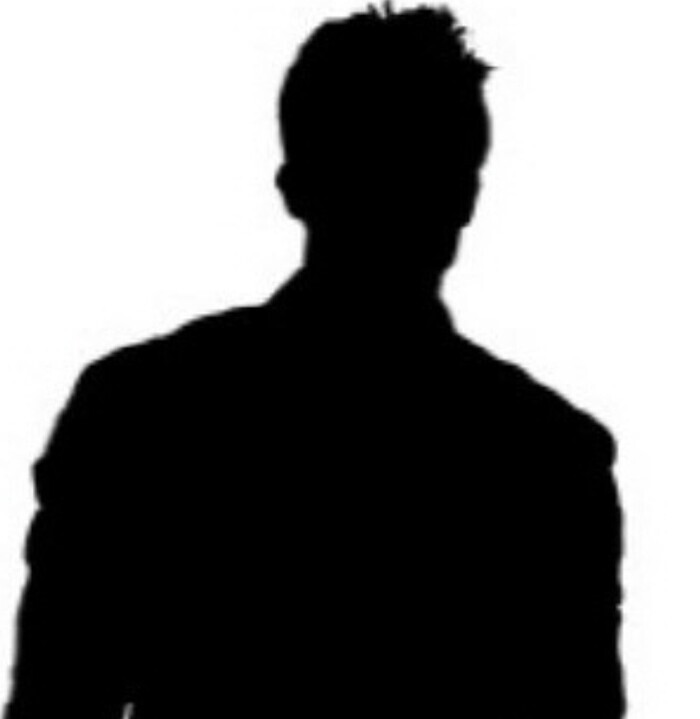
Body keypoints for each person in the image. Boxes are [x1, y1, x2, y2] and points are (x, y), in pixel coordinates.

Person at [5, 4, 625, 717]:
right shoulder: (547, 456)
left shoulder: (143, 407)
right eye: (386, 170)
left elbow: (57, 693)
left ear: (295, 186)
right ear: (468, 197)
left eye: (428, 170)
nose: (410, 202)